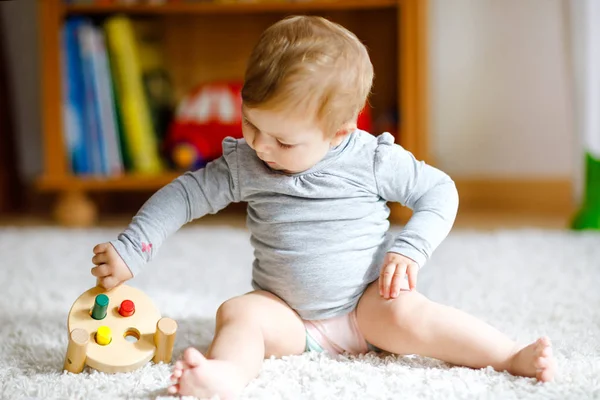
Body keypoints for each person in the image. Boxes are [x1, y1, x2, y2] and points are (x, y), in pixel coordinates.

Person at [90, 15, 556, 399]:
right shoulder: (246, 162)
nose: (261, 146)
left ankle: (507, 355)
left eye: (283, 140)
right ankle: (225, 377)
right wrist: (134, 248)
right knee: (239, 313)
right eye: (251, 124)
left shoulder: (370, 158)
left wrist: (411, 248)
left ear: (340, 131)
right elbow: (184, 195)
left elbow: (440, 192)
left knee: (415, 316)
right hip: (288, 318)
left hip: (366, 307)